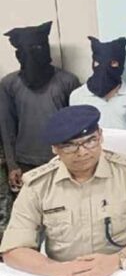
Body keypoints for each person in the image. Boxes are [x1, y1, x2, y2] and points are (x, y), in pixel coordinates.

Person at [0, 105, 126, 276]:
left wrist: (119, 259)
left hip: (121, 269)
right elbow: (13, 250)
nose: (83, 152)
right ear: (55, 148)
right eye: (70, 146)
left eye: (90, 141)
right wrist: (59, 270)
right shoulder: (38, 185)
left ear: (100, 136)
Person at [0, 21, 80, 194]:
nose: (35, 54)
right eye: (29, 49)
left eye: (39, 47)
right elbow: (7, 127)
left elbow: (76, 127)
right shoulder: (9, 84)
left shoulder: (68, 81)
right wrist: (12, 165)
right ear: (19, 54)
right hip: (25, 163)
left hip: (62, 160)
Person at [70, 36, 126, 130]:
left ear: (121, 64)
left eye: (113, 63)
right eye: (99, 62)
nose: (104, 68)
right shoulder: (78, 96)